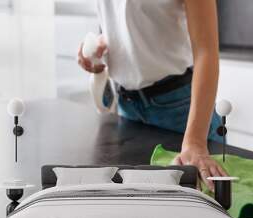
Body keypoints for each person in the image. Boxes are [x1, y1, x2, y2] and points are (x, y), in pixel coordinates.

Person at [77, 0, 228, 190]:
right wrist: (101, 46)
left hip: (181, 112)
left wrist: (196, 142)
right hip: (127, 110)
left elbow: (206, 51)